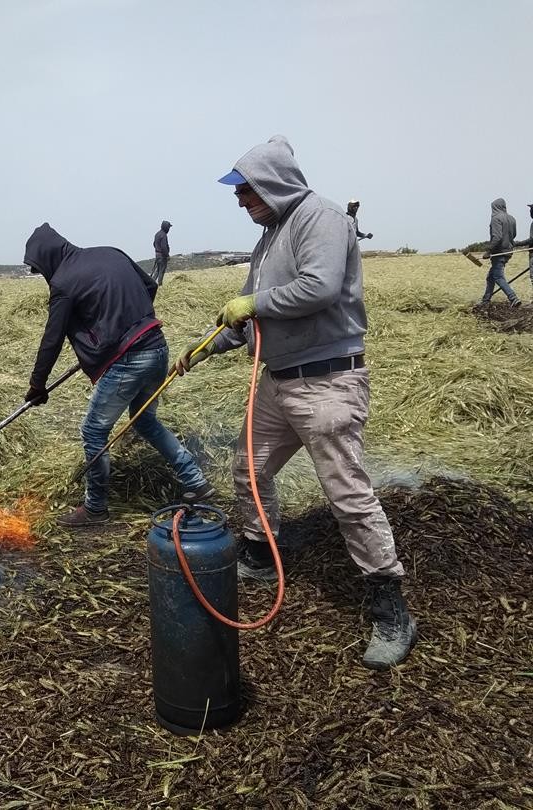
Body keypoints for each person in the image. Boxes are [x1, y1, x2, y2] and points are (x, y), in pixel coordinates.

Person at [173, 135, 415, 670]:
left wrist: (252, 301)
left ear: (272, 184)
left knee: (346, 494)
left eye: (246, 191)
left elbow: (320, 288)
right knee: (250, 468)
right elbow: (249, 320)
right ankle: (259, 555)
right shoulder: (270, 237)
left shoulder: (321, 219)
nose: (240, 201)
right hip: (279, 381)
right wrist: (202, 348)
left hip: (327, 381)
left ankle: (389, 605)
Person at [23, 223, 213, 527]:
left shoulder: (63, 283)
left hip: (130, 361)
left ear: (45, 258)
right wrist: (125, 329)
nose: (40, 274)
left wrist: (37, 385)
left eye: (37, 268)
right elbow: (150, 286)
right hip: (158, 348)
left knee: (94, 432)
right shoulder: (110, 253)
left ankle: (95, 508)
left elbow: (52, 338)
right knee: (146, 421)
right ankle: (195, 479)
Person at [479, 198, 520, 307]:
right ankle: (486, 300)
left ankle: (513, 298)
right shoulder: (512, 219)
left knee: (498, 276)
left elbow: (497, 237)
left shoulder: (496, 219)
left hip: (499, 252)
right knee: (491, 277)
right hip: (508, 251)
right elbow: (514, 235)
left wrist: (488, 251)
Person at [152, 220, 172, 285]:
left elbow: (154, 244)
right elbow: (164, 247)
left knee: (157, 271)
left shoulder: (157, 234)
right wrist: (167, 255)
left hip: (157, 255)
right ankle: (160, 285)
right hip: (162, 256)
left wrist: (157, 251)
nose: (169, 229)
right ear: (165, 227)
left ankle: (152, 283)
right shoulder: (163, 235)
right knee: (161, 271)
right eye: (168, 227)